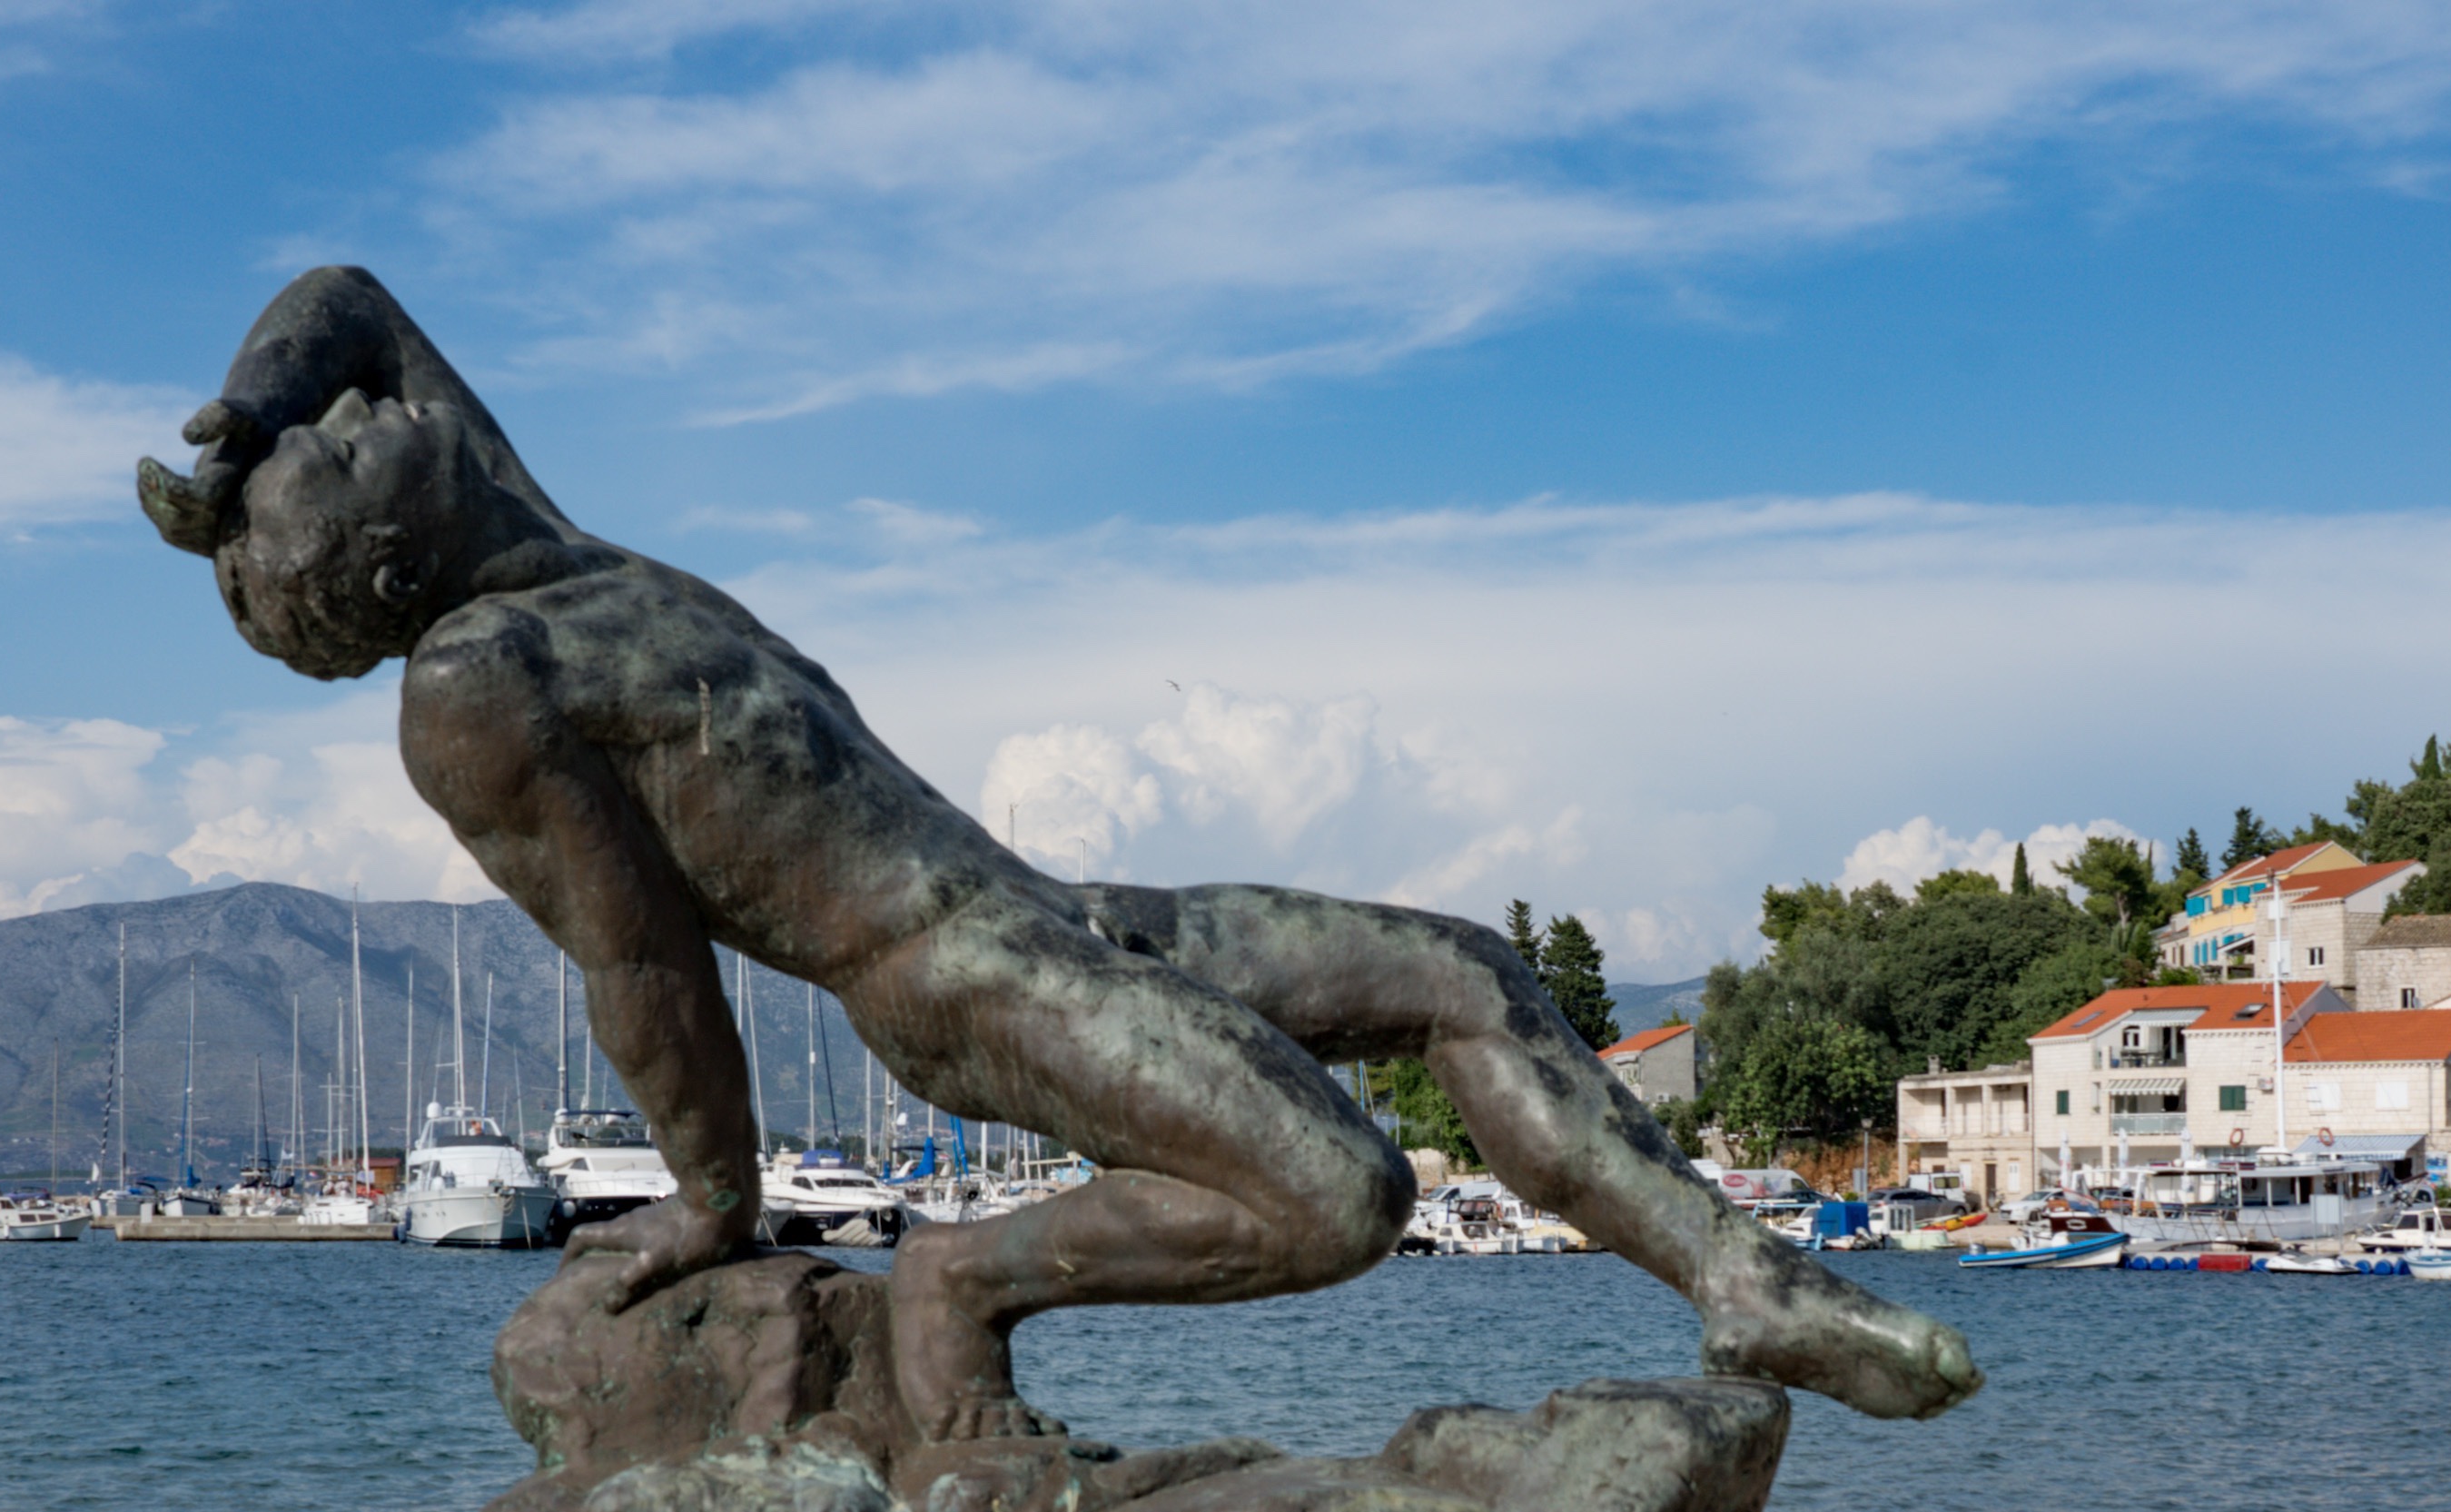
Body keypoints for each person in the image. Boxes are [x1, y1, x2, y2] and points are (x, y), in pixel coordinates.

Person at [138, 268, 1978, 1442]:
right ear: (389, 567)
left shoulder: (554, 555)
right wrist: (714, 1197)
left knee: (1466, 970)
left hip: (1058, 911)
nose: (370, 413)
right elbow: (638, 964)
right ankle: (967, 1278)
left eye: (347, 416)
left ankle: (1742, 1275)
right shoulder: (477, 682)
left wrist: (249, 415)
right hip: (957, 979)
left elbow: (350, 302)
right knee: (1341, 1191)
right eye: (345, 449)